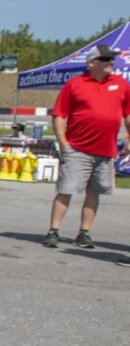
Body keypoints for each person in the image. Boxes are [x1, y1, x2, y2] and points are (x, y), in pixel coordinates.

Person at [43, 44, 130, 254]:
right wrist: (64, 144)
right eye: (105, 59)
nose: (111, 62)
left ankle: (84, 233)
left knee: (94, 192)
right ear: (91, 63)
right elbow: (59, 115)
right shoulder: (75, 85)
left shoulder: (121, 84)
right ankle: (53, 231)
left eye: (112, 59)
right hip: (78, 148)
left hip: (106, 150)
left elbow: (127, 114)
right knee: (66, 190)